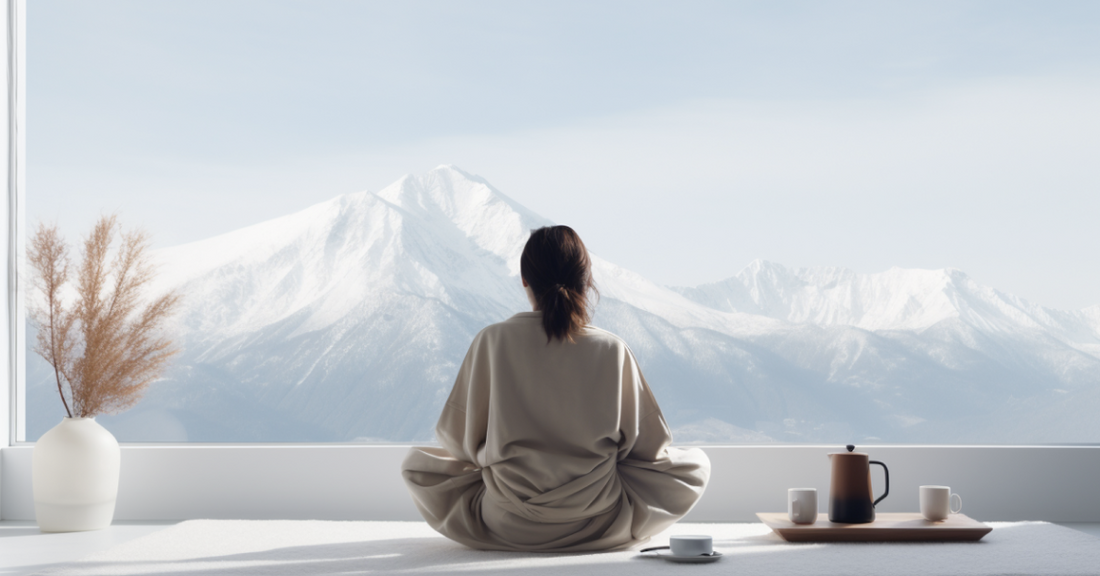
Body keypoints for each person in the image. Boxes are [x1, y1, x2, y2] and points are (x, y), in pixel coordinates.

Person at [401, 225, 710, 552]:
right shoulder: (612, 349)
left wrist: (494, 455)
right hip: (597, 522)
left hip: (506, 522)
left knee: (415, 466)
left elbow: (456, 439)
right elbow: (649, 447)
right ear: (585, 279)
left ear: (524, 280)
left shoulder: (491, 341)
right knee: (697, 465)